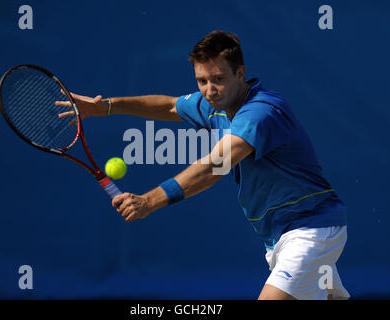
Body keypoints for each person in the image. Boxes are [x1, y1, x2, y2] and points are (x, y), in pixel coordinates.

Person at [55, 30, 349, 300]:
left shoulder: (262, 112)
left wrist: (149, 200)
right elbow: (170, 105)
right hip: (278, 238)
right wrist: (107, 106)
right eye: (202, 81)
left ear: (240, 73)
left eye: (218, 79)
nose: (210, 90)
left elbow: (215, 166)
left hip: (310, 229)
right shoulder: (214, 106)